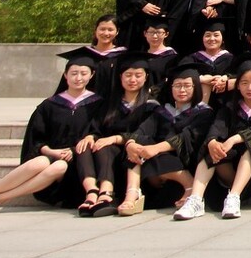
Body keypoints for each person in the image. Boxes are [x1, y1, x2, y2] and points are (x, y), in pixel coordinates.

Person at [0, 49, 105, 215]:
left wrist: (72, 150)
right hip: (51, 154)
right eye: (74, 73)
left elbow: (98, 133)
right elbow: (36, 138)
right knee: (40, 162)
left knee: (59, 166)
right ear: (65, 75)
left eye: (83, 73)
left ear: (91, 75)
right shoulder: (49, 105)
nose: (78, 78)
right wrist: (50, 151)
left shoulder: (98, 104)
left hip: (78, 166)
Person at [173, 54, 251, 220]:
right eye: (244, 83)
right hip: (233, 168)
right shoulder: (230, 107)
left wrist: (233, 139)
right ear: (237, 86)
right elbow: (218, 126)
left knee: (250, 144)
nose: (250, 88)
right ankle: (196, 200)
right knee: (211, 150)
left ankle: (234, 198)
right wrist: (212, 141)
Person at [118, 59, 216, 215]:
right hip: (158, 162)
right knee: (137, 144)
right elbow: (144, 130)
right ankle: (132, 192)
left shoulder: (204, 112)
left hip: (184, 159)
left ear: (195, 87)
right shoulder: (162, 111)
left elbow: (186, 138)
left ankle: (189, 183)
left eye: (186, 86)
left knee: (146, 150)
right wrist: (130, 143)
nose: (181, 90)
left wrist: (155, 149)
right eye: (177, 85)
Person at [75, 52, 158, 217]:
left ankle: (107, 194)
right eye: (128, 75)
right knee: (85, 146)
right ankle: (92, 194)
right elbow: (97, 127)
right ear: (120, 76)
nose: (132, 79)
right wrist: (91, 136)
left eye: (137, 75)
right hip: (106, 152)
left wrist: (115, 138)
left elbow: (147, 135)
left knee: (105, 147)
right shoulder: (110, 102)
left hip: (130, 156)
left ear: (146, 77)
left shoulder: (151, 105)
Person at [83, 14, 127, 104]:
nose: (106, 33)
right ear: (95, 30)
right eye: (102, 29)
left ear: (117, 32)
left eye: (110, 30)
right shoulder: (85, 54)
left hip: (115, 103)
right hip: (86, 103)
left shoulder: (123, 55)